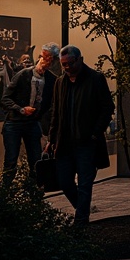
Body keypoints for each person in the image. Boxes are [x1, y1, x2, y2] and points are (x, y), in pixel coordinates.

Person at [48, 45, 115, 223]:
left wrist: (95, 133)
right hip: (65, 142)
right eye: (64, 65)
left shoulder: (95, 79)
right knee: (64, 182)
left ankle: (81, 221)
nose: (67, 67)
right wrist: (52, 138)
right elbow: (56, 113)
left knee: (85, 183)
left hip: (86, 142)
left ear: (80, 60)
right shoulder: (60, 83)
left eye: (70, 63)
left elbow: (107, 107)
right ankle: (82, 209)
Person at [1, 42, 60, 185]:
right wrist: (20, 109)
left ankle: (34, 192)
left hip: (33, 122)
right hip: (14, 122)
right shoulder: (23, 74)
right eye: (44, 59)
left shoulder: (52, 80)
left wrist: (40, 116)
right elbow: (5, 98)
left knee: (36, 161)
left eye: (50, 61)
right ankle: (4, 193)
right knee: (11, 160)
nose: (46, 64)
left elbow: (52, 104)